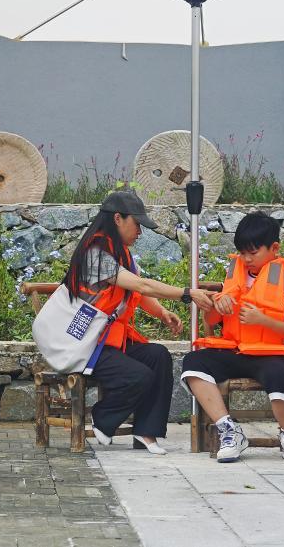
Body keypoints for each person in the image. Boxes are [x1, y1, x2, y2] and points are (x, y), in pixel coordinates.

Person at [60, 191, 215, 454]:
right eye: (137, 224)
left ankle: (146, 432)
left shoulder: (122, 256)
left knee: (158, 356)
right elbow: (142, 285)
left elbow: (137, 292)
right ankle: (103, 417)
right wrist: (187, 293)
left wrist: (162, 313)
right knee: (139, 375)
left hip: (107, 343)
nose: (140, 232)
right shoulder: (95, 255)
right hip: (84, 345)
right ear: (117, 219)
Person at [182, 211, 284, 463]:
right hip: (234, 351)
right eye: (242, 253)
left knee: (278, 375)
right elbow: (212, 321)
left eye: (253, 252)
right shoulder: (233, 278)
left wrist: (263, 321)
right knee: (193, 363)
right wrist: (217, 305)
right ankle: (229, 430)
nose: (246, 259)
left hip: (269, 354)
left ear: (274, 248)